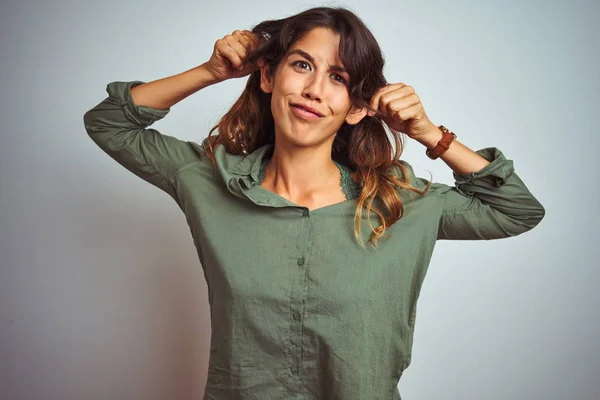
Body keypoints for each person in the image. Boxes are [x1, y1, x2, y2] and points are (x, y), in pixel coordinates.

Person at [83, 6, 545, 400]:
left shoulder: (401, 203)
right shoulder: (207, 180)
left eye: (338, 77)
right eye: (302, 65)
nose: (314, 91)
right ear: (268, 74)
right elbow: (108, 124)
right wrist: (212, 72)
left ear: (358, 107)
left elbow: (517, 210)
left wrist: (429, 134)